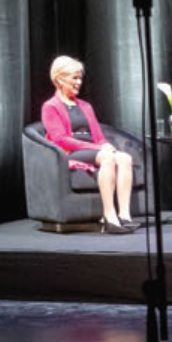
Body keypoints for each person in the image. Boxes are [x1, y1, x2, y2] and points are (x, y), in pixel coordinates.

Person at [41, 55, 138, 233]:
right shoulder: (50, 106)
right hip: (70, 151)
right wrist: (98, 148)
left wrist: (105, 144)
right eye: (74, 78)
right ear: (60, 78)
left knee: (124, 158)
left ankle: (124, 215)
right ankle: (109, 216)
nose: (79, 82)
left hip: (95, 150)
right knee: (107, 157)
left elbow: (98, 136)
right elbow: (60, 139)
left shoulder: (85, 106)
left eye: (80, 78)